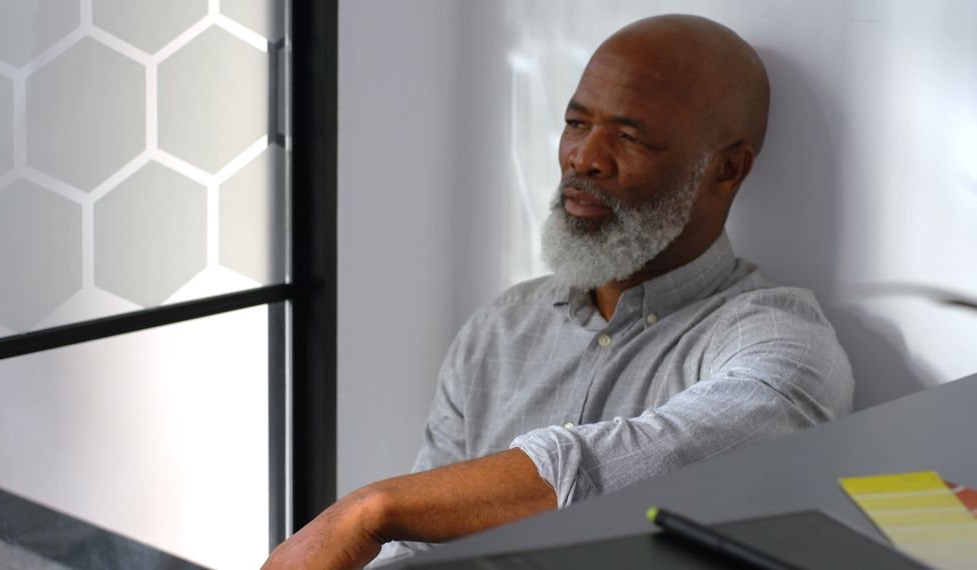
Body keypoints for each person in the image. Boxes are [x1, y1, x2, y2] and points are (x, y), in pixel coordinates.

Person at [263, 13, 854, 570]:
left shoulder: (783, 343)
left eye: (631, 137)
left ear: (725, 171)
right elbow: (418, 553)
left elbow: (663, 455)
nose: (584, 158)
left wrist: (373, 509)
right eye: (577, 124)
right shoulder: (500, 330)